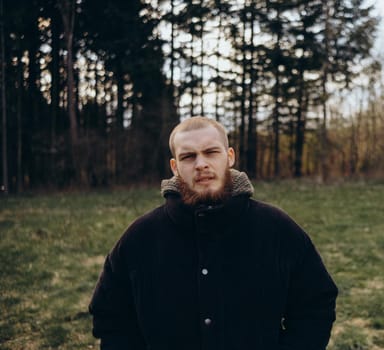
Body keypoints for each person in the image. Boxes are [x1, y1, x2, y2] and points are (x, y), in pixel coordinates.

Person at [89, 116, 338, 350]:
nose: (201, 164)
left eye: (211, 152)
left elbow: (315, 305)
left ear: (229, 157)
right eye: (188, 156)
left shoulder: (277, 229)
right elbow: (111, 318)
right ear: (175, 166)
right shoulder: (139, 238)